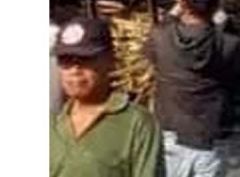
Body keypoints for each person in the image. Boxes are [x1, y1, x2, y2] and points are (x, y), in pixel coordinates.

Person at [146, 0, 240, 177]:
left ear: (183, 1)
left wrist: (177, 7)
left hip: (170, 133)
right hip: (211, 136)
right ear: (216, 4)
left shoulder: (160, 37)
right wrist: (220, 14)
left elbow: (161, 30)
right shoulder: (230, 44)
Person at [50, 16, 165, 177]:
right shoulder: (52, 121)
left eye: (85, 59)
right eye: (65, 60)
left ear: (110, 61)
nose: (74, 70)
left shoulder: (137, 124)